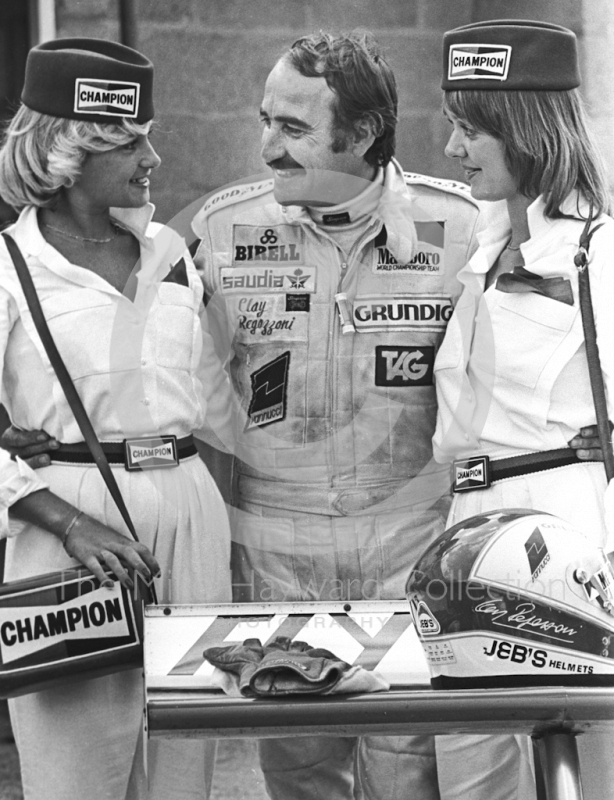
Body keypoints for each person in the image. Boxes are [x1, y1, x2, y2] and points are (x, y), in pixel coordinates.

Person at [190, 30, 482, 800]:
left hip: (410, 550)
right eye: (264, 121)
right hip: (278, 554)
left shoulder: (462, 232)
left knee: (407, 774)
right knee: (299, 771)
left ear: (360, 136)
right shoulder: (224, 233)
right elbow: (196, 402)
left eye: (293, 129)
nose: (266, 148)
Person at [0, 38, 233, 800]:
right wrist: (66, 522)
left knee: (184, 764)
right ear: (70, 151)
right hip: (73, 522)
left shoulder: (172, 254)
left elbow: (211, 399)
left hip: (191, 509)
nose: (152, 158)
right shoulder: (9, 269)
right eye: (130, 141)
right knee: (77, 774)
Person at [432, 19, 614, 800]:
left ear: (525, 128)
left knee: (584, 775)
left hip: (566, 525)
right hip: (466, 529)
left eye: (469, 128)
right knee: (471, 774)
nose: (450, 148)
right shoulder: (478, 249)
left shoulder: (599, 252)